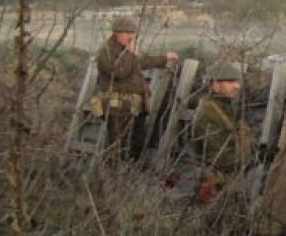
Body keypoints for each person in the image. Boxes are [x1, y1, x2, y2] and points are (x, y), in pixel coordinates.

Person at [95, 15, 178, 162]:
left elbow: (144, 61)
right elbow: (119, 72)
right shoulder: (106, 52)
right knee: (116, 147)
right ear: (116, 33)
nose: (131, 36)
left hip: (134, 107)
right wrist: (131, 54)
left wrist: (165, 58)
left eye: (132, 33)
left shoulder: (127, 51)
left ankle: (130, 172)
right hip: (117, 108)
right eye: (127, 33)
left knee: (136, 145)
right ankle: (112, 173)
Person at [190, 61, 255, 201]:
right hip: (216, 188)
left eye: (237, 81)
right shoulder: (208, 113)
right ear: (215, 84)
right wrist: (247, 144)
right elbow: (224, 160)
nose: (237, 86)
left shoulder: (221, 106)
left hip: (223, 182)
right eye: (230, 82)